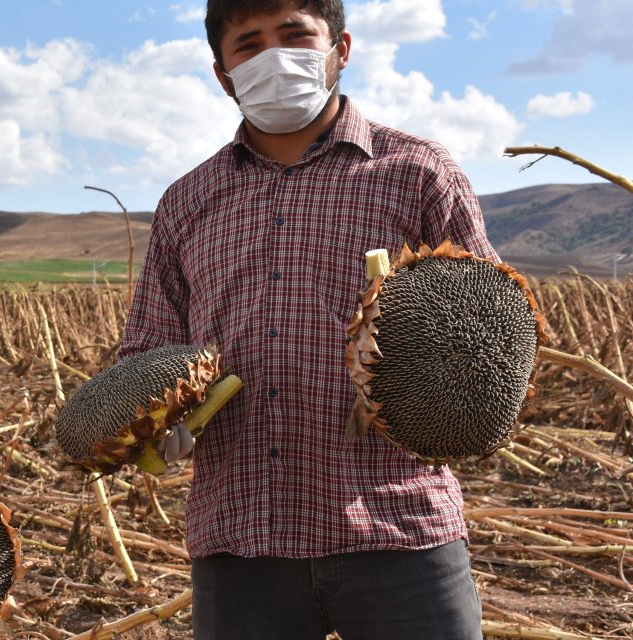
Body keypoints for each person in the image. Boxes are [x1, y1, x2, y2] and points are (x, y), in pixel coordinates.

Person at [120, 1, 490, 638]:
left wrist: (441, 390)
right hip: (241, 540)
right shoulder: (187, 202)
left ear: (340, 48)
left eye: (294, 35)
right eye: (249, 45)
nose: (273, 57)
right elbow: (148, 351)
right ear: (223, 73)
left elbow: (487, 329)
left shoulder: (418, 174)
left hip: (401, 529)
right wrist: (153, 419)